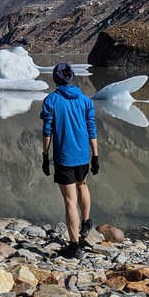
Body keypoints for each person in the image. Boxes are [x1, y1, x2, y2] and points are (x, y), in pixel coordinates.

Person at [40, 62, 98, 258]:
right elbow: (92, 128)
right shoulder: (85, 100)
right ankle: (86, 222)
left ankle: (74, 246)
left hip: (64, 157)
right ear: (71, 77)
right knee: (83, 185)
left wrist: (45, 156)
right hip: (83, 155)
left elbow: (47, 131)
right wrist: (95, 155)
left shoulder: (51, 100)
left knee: (69, 201)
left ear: (56, 79)